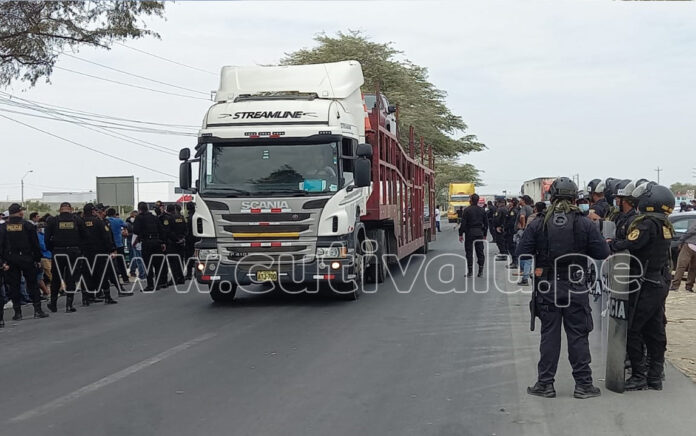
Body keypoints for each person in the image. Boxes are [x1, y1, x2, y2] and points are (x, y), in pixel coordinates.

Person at [517, 178, 609, 399]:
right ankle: (584, 385)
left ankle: (545, 384)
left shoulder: (539, 223)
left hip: (548, 287)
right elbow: (603, 254)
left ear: (552, 197)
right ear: (575, 198)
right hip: (576, 286)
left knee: (549, 335)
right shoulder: (585, 223)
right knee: (578, 335)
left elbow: (521, 251)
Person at [609, 183, 674, 390]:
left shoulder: (646, 224)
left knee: (633, 330)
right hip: (658, 282)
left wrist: (611, 244)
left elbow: (631, 244)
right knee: (654, 331)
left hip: (645, 283)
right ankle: (655, 375)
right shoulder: (664, 224)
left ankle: (638, 375)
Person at [0, 203, 50, 321]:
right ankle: (37, 310)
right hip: (27, 258)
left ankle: (17, 313)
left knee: (14, 285)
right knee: (32, 284)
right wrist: (37, 259)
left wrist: (3, 261)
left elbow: (0, 246)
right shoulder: (28, 225)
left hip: (10, 259)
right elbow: (35, 244)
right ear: (20, 213)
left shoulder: (3, 227)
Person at [45, 202, 87, 313]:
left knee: (56, 278)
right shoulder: (77, 220)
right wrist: (79, 250)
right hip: (73, 252)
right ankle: (69, 305)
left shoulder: (53, 220)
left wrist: (52, 249)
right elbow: (84, 237)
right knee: (71, 278)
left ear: (60, 210)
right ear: (71, 209)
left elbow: (46, 238)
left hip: (58, 252)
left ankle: (53, 304)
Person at [82, 203, 118, 305]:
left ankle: (86, 298)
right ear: (93, 211)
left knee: (87, 275)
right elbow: (106, 237)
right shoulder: (98, 222)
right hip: (99, 252)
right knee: (102, 274)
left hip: (85, 253)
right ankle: (107, 297)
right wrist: (111, 248)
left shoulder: (80, 222)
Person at [133, 202, 167, 292]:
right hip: (157, 242)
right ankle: (158, 283)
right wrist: (162, 242)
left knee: (148, 264)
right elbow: (161, 230)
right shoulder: (154, 217)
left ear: (139, 209)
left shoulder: (139, 218)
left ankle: (150, 285)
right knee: (157, 264)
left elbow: (135, 230)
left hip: (147, 242)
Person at [458, 194, 488, 277]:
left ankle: (470, 272)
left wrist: (460, 234)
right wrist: (485, 234)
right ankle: (480, 271)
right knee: (480, 252)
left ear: (470, 200)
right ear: (478, 200)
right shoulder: (482, 210)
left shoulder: (467, 210)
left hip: (470, 233)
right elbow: (486, 224)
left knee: (469, 252)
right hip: (479, 233)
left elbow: (463, 224)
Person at [106, 208, 131, 285]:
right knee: (121, 262)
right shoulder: (118, 220)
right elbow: (126, 225)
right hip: (119, 244)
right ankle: (125, 279)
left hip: (109, 245)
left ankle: (112, 280)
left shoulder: (105, 221)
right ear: (114, 214)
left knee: (110, 263)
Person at [164, 203, 188, 285]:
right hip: (181, 243)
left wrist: (176, 239)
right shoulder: (182, 218)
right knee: (180, 260)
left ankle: (174, 279)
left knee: (173, 262)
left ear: (167, 210)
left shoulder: (169, 218)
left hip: (172, 243)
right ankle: (181, 278)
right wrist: (182, 238)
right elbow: (186, 229)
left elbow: (169, 232)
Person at [671, 220, 696, 292]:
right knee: (693, 268)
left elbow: (690, 232)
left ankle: (675, 286)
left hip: (689, 245)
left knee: (681, 266)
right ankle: (689, 286)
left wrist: (680, 241)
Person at [185, 202, 198, 280]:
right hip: (197, 239)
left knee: (189, 257)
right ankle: (197, 272)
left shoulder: (189, 218)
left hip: (189, 240)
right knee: (197, 256)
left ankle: (189, 274)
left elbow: (187, 231)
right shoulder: (196, 216)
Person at [504, 198, 519, 268]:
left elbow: (511, 222)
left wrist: (506, 228)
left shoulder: (513, 211)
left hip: (511, 231)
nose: (508, 203)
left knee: (512, 247)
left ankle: (515, 262)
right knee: (511, 247)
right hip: (510, 231)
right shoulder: (512, 209)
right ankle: (514, 261)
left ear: (513, 203)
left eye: (510, 202)